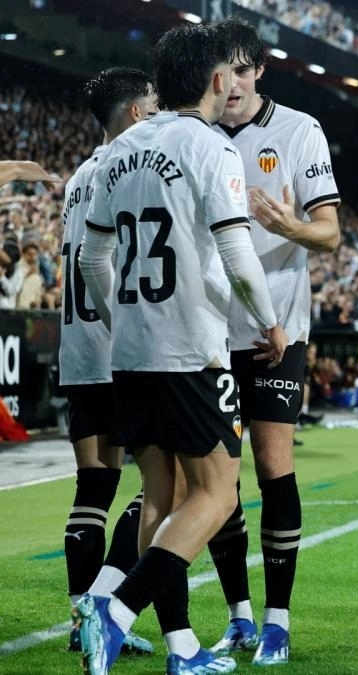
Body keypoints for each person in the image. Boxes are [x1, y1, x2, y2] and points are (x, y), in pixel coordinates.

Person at [72, 22, 287, 675]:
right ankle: (115, 609)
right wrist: (271, 322)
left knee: (159, 497)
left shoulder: (118, 151)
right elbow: (236, 251)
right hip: (191, 350)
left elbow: (92, 258)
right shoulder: (210, 146)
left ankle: (182, 647)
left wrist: (124, 317)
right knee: (217, 495)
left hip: (130, 354)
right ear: (218, 79)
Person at [204, 18, 342, 666]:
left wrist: (291, 225)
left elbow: (330, 233)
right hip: (207, 331)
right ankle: (237, 616)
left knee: (272, 462)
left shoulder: (298, 130)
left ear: (260, 70)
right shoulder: (194, 134)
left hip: (275, 330)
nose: (232, 83)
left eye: (242, 69)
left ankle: (277, 621)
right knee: (216, 477)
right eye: (222, 70)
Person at [59, 66, 158, 659]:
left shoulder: (78, 176)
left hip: (77, 348)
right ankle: (103, 605)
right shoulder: (127, 170)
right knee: (164, 487)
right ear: (137, 113)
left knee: (93, 487)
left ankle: (80, 619)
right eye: (153, 105)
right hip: (119, 348)